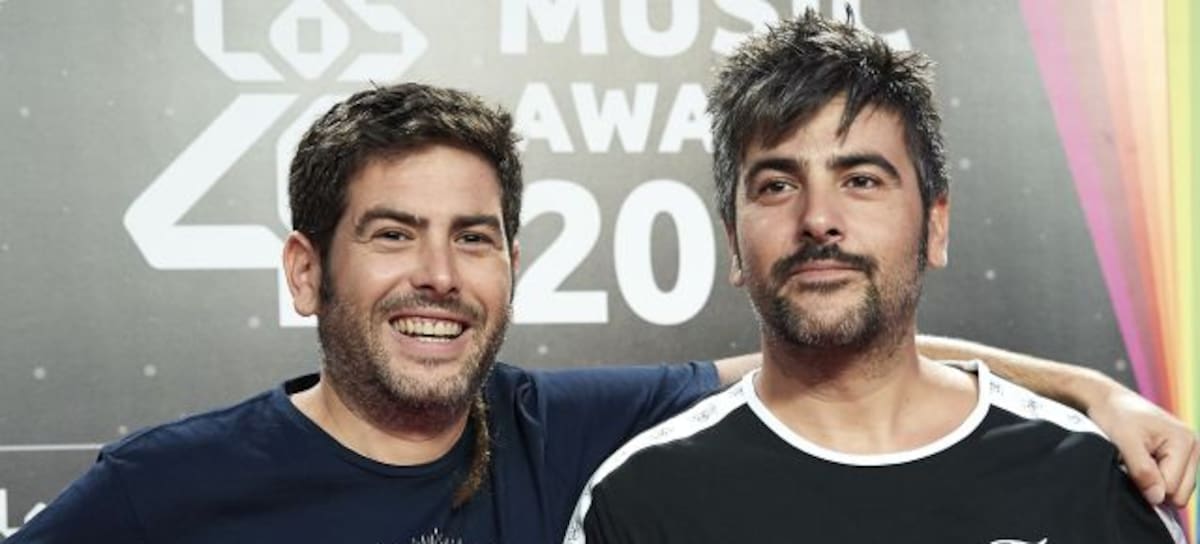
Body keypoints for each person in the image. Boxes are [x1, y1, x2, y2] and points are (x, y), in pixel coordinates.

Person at [8, 82, 1194, 544]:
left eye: (474, 237)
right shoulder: (166, 486)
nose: (439, 275)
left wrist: (1088, 391)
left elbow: (832, 339)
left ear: (512, 266)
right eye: (393, 234)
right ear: (306, 271)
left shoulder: (570, 436)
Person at [566, 11, 1189, 543]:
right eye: (777, 185)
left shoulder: (1088, 477)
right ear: (732, 241)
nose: (818, 219)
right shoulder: (640, 499)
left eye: (861, 180)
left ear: (936, 225)